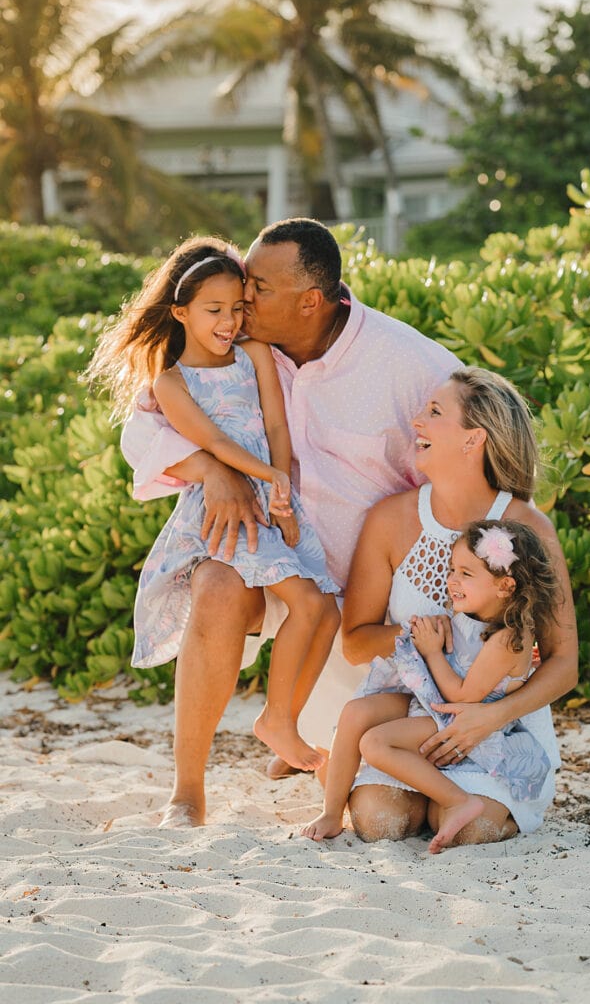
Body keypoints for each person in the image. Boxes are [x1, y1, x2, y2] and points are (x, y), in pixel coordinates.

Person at [118, 218, 457, 825]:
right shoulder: (235, 345)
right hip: (269, 553)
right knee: (217, 585)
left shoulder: (411, 365)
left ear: (311, 302)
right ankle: (187, 792)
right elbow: (143, 427)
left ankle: (299, 732)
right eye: (241, 286)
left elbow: (479, 465)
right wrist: (213, 471)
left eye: (258, 290)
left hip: (366, 604)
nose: (243, 302)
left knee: (384, 815)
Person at [87, 236, 340, 807]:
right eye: (216, 308)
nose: (231, 319)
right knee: (251, 593)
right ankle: (194, 787)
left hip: (285, 506)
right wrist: (222, 473)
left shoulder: (256, 353)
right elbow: (196, 440)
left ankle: (281, 722)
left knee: (320, 604)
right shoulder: (170, 380)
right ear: (180, 311)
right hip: (231, 517)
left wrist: (278, 486)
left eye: (241, 305)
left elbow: (275, 425)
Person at [341, 368, 578, 847]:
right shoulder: (389, 519)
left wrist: (490, 716)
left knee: (471, 829)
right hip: (409, 720)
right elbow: (354, 641)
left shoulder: (530, 529)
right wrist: (433, 640)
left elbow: (564, 663)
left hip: (498, 727)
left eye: (434, 412)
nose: (417, 421)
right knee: (379, 822)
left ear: (474, 440)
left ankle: (475, 794)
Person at [302, 519, 559, 853]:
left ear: (506, 586)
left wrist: (432, 651)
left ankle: (457, 801)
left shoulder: (509, 639)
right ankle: (331, 812)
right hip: (433, 705)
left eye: (466, 574)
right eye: (452, 570)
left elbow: (462, 696)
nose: (452, 580)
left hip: (464, 721)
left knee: (376, 744)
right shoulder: (474, 616)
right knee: (355, 713)